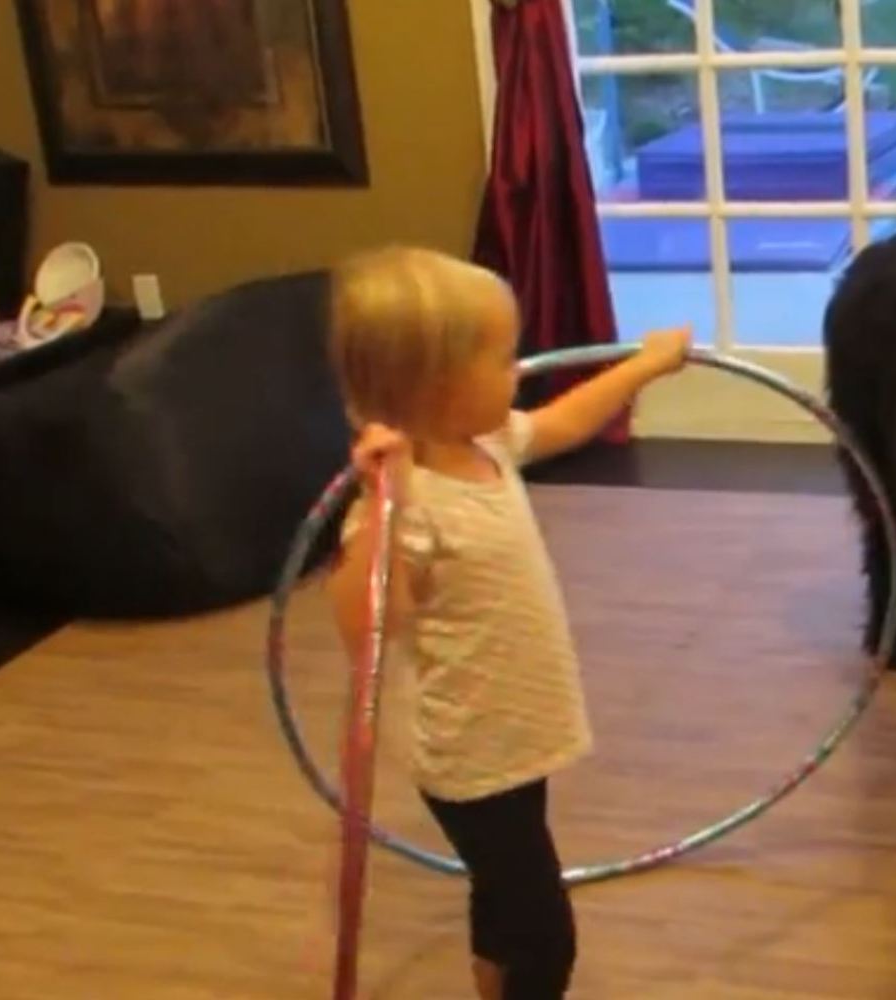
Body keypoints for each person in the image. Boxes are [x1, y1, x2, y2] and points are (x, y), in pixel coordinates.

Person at [325, 245, 690, 999]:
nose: (519, 369)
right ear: (430, 387)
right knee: (544, 936)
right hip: (469, 758)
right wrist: (385, 509)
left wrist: (646, 366)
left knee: (499, 898)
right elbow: (366, 624)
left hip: (514, 733)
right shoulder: (405, 504)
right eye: (500, 358)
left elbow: (563, 421)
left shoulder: (484, 444)